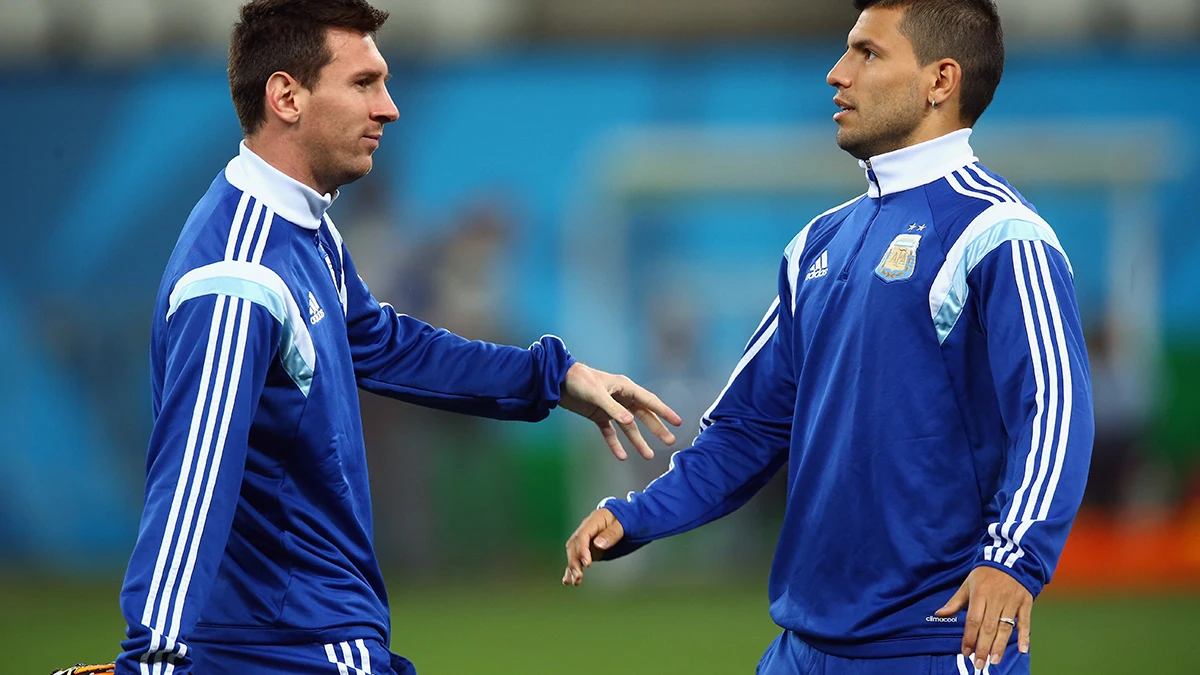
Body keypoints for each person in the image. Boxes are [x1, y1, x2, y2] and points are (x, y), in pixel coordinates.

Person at [104, 2, 682, 674]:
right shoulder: (241, 277)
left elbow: (386, 345)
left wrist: (552, 378)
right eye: (363, 83)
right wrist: (149, 658)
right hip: (291, 648)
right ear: (286, 96)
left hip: (310, 637)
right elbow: (191, 487)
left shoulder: (304, 231)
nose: (389, 108)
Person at [563, 1, 1094, 673]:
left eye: (867, 54)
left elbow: (1056, 410)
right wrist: (641, 513)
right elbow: (748, 427)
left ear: (941, 80)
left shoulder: (1001, 237)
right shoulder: (817, 243)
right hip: (801, 647)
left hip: (935, 645)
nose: (836, 73)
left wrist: (1015, 559)